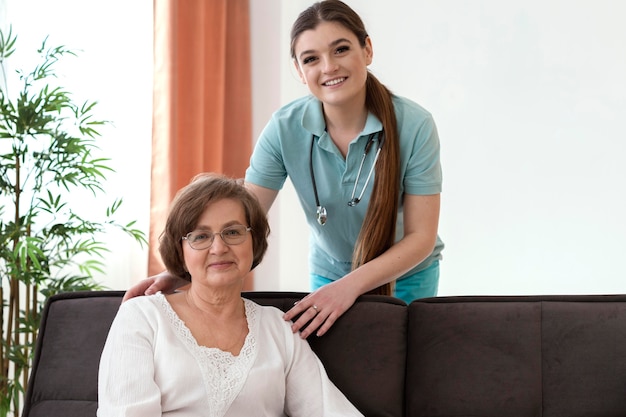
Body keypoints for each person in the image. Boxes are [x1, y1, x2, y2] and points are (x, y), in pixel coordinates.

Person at [124, 0, 443, 340]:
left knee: (402, 377)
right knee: (337, 378)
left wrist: (349, 287)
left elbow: (420, 238)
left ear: (367, 50)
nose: (329, 67)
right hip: (330, 273)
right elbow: (243, 214)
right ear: (298, 69)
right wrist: (186, 271)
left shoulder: (414, 125)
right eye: (311, 59)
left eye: (341, 49)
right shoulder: (284, 128)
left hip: (407, 274)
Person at [98, 173, 363, 416]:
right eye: (200, 237)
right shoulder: (142, 317)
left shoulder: (278, 328)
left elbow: (329, 411)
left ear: (254, 241)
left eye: (233, 232)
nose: (219, 247)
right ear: (180, 251)